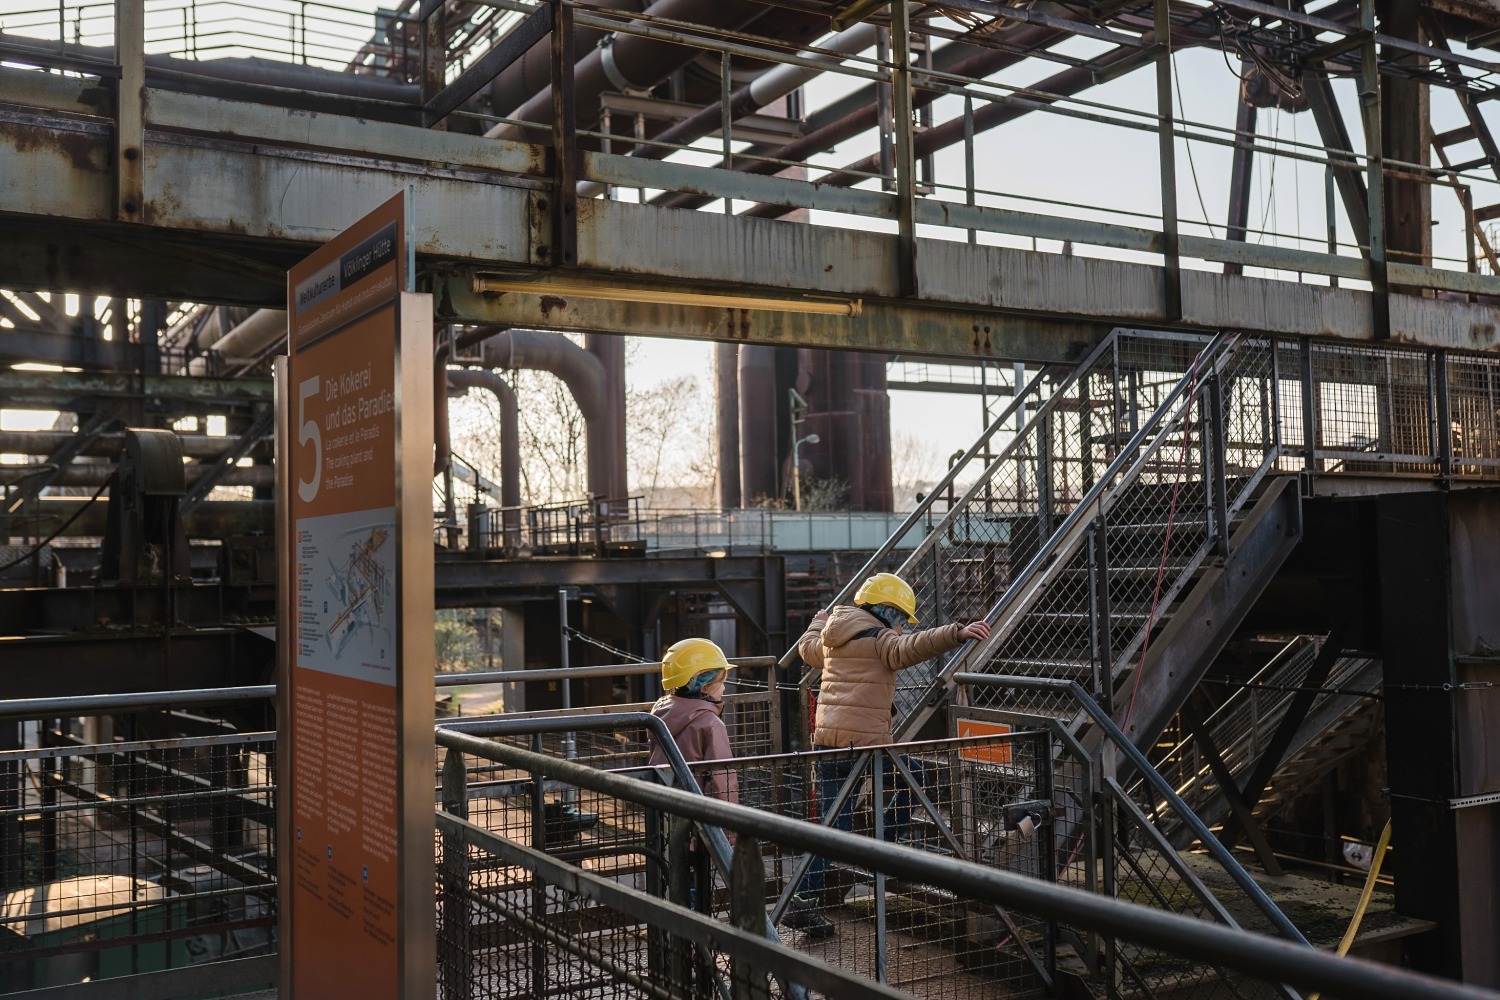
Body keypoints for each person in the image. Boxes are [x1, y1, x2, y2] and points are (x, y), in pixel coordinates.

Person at [780, 572, 991, 939]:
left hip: (827, 742)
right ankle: (885, 848)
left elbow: (807, 647)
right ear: (884, 609)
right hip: (866, 746)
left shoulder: (834, 635)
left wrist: (817, 621)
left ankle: (804, 899)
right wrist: (956, 633)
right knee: (914, 780)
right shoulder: (880, 639)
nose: (898, 625)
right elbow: (913, 647)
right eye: (897, 616)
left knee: (832, 827)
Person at [648, 637, 739, 805]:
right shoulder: (711, 724)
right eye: (722, 683)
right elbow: (721, 781)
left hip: (663, 806)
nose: (725, 688)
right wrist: (727, 831)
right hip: (697, 812)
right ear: (705, 686)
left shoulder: (658, 715)